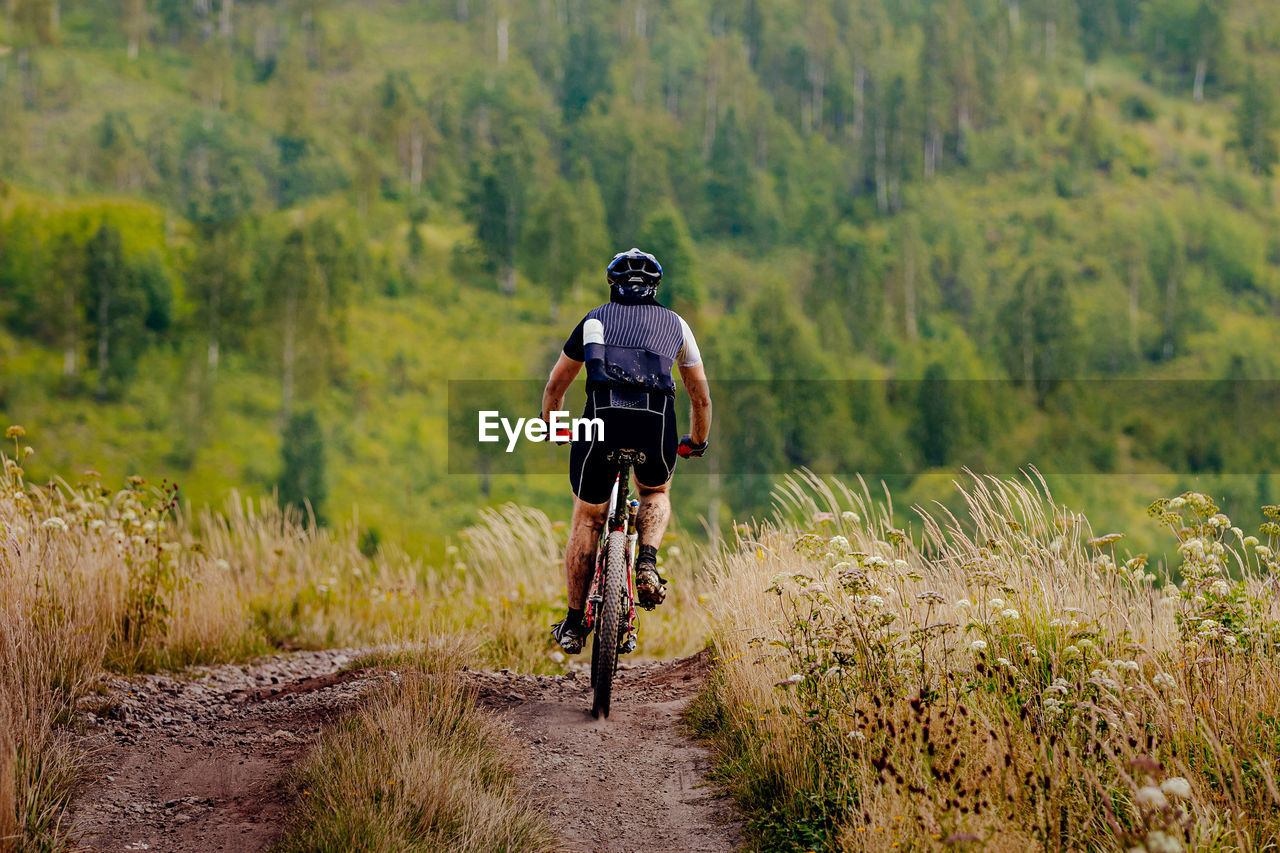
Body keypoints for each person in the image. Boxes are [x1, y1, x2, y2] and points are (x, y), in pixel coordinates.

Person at [540, 248, 712, 655]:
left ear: (612, 285)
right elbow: (699, 398)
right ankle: (647, 560)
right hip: (655, 425)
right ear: (655, 286)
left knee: (588, 518)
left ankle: (575, 622)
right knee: (654, 492)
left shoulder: (594, 320)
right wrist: (697, 441)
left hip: (600, 424)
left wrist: (554, 425)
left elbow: (555, 386)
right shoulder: (676, 325)